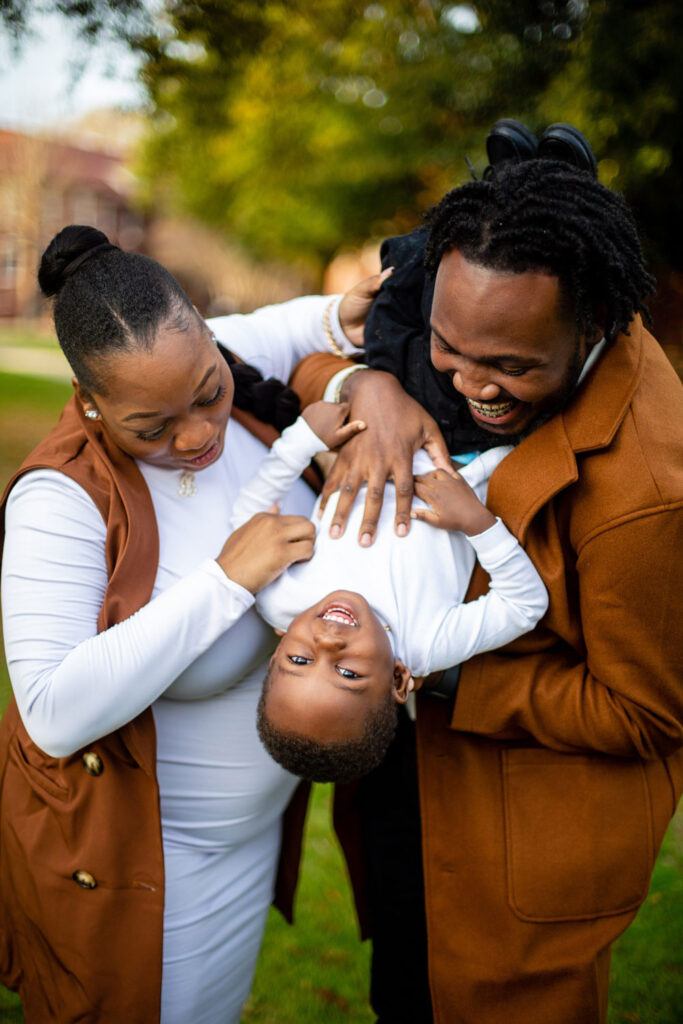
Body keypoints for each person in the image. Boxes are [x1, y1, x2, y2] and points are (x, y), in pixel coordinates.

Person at [289, 159, 683, 1023]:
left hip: (516, 834)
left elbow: (647, 712)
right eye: (445, 348)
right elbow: (305, 364)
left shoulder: (649, 494)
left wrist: (436, 666)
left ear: (595, 327)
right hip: (407, 783)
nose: (467, 384)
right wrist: (372, 384)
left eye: (506, 366)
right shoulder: (477, 312)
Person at [0, 224, 383, 1024]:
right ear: (90, 402)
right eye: (154, 429)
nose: (199, 433)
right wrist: (224, 581)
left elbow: (288, 328)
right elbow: (52, 713)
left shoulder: (192, 357)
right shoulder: (58, 500)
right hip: (144, 872)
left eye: (211, 393)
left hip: (250, 844)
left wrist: (345, 336)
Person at [226, 400, 547, 783]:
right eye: (348, 672)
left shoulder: (279, 599)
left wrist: (301, 442)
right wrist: (476, 522)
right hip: (473, 447)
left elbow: (246, 522)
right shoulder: (426, 644)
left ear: (277, 649)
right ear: (397, 678)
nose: (327, 644)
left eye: (298, 661)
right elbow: (523, 606)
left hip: (381, 420)